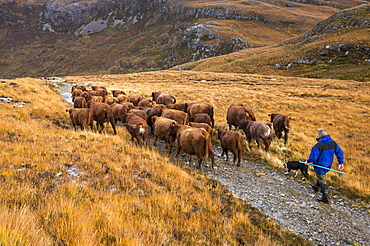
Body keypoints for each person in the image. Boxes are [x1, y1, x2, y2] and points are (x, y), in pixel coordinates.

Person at [305, 128, 344, 203]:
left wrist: (308, 161)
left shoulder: (318, 146)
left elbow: (314, 156)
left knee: (322, 178)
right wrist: (341, 162)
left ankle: (325, 198)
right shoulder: (333, 143)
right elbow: (339, 152)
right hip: (328, 165)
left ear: (319, 135)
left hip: (320, 165)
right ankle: (316, 187)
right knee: (321, 176)